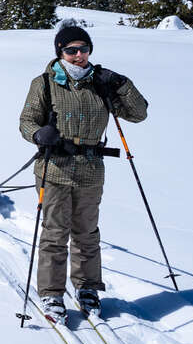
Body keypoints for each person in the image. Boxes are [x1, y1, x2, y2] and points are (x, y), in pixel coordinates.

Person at [19, 25, 148, 322]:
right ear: (60, 53)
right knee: (54, 234)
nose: (78, 56)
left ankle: (88, 287)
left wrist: (120, 82)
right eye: (71, 50)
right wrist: (39, 134)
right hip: (54, 168)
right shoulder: (45, 83)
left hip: (91, 170)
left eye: (84, 49)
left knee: (87, 235)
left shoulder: (101, 84)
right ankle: (51, 292)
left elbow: (138, 114)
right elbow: (26, 121)